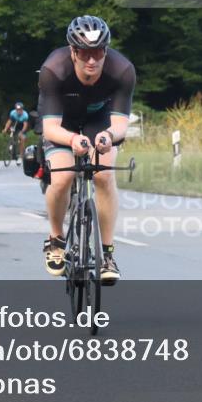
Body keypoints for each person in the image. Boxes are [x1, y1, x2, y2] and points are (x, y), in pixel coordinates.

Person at [38, 15, 135, 285]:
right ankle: (56, 240)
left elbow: (120, 126)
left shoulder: (122, 70)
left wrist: (107, 135)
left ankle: (107, 255)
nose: (91, 60)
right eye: (84, 53)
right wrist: (71, 141)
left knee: (104, 175)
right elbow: (50, 128)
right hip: (61, 122)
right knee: (62, 176)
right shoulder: (54, 70)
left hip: (99, 120)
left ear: (106, 50)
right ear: (73, 51)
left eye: (98, 52)